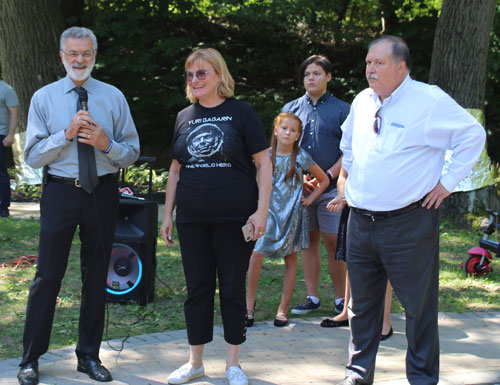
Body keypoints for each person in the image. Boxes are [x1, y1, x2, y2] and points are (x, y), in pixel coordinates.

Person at [332, 35, 485, 385]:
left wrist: (446, 184)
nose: (370, 69)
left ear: (401, 67)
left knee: (418, 309)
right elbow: (348, 145)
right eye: (368, 62)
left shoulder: (428, 101)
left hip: (408, 222)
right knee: (362, 308)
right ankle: (357, 375)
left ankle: (421, 378)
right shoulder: (362, 100)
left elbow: (473, 136)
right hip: (360, 221)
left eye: (379, 63)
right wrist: (347, 184)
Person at [18, 26, 140, 385]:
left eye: (86, 53)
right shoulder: (44, 98)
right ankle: (29, 360)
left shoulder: (114, 97)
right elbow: (33, 156)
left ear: (95, 56)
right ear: (61, 56)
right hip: (60, 192)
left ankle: (88, 356)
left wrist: (106, 144)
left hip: (101, 192)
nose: (79, 60)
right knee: (47, 277)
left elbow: (130, 152)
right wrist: (65, 135)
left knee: (96, 275)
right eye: (72, 54)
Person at [160, 48, 272, 385]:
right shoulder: (183, 117)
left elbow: (264, 163)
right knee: (197, 289)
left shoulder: (241, 112)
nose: (194, 80)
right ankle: (195, 363)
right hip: (192, 219)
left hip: (235, 219)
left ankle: (233, 364)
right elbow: (176, 171)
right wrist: (167, 215)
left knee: (232, 288)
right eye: (190, 75)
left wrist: (261, 211)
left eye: (201, 73)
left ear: (219, 76)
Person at [246, 112, 329, 328]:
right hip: (269, 213)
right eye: (284, 128)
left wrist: (310, 199)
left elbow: (324, 179)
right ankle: (248, 307)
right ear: (275, 130)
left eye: (293, 130)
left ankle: (282, 310)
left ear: (298, 135)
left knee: (291, 259)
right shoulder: (265, 157)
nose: (287, 133)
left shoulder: (301, 156)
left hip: (292, 215)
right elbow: (256, 183)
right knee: (255, 255)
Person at [282, 55, 350, 316]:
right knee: (308, 242)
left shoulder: (343, 109)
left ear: (328, 77)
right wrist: (300, 178)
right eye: (307, 74)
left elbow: (350, 150)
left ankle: (340, 299)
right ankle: (312, 297)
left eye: (317, 74)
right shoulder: (291, 109)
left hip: (332, 188)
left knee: (334, 242)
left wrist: (329, 177)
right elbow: (282, 147)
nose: (311, 78)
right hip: (301, 188)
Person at [0, 79, 19, 218]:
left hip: (1, 135)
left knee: (1, 173)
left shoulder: (6, 90)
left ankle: (4, 208)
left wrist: (11, 134)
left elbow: (15, 112)